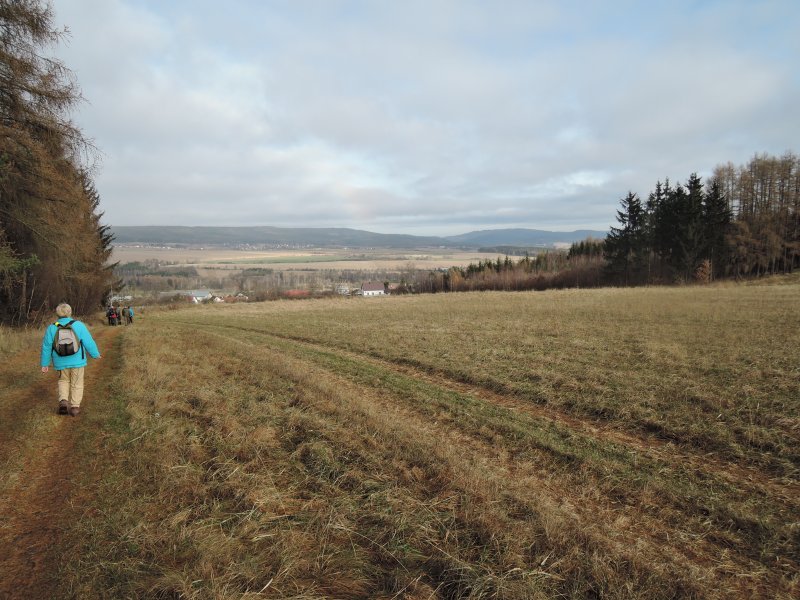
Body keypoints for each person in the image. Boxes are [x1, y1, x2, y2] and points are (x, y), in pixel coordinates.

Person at [40, 303, 101, 417]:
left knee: (63, 381)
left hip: (60, 361)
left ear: (58, 313)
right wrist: (95, 354)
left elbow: (47, 346)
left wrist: (45, 363)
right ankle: (74, 407)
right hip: (77, 361)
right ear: (69, 312)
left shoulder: (52, 327)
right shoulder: (79, 325)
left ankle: (63, 401)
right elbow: (89, 341)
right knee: (77, 383)